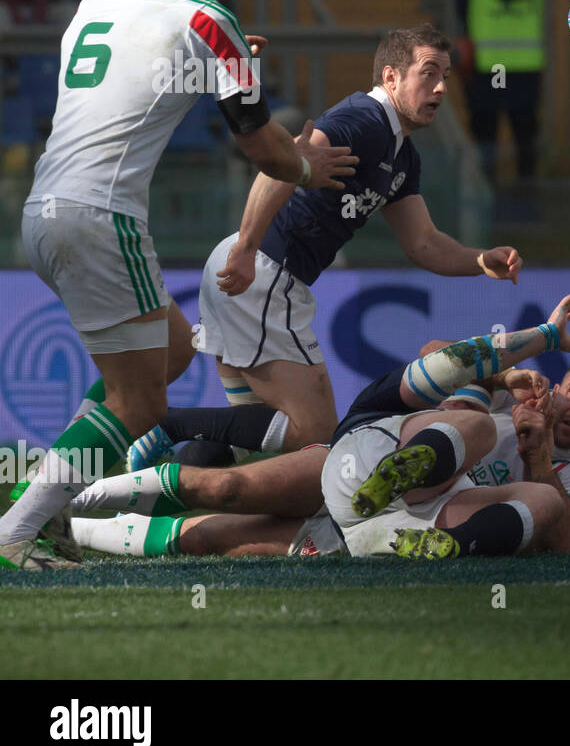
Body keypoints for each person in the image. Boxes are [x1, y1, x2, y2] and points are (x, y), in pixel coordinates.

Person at [0, 0, 357, 571]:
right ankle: (21, 525)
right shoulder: (204, 16)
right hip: (102, 220)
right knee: (141, 403)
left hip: (42, 214)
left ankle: (46, 506)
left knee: (169, 351)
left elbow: (138, 83)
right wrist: (310, 166)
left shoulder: (94, 2)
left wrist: (225, 67)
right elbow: (262, 148)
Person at [126, 24, 524, 473]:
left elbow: (424, 242)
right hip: (261, 274)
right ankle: (168, 424)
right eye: (428, 73)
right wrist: (246, 246)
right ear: (391, 78)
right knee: (314, 433)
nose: (440, 87)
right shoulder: (365, 120)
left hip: (259, 273)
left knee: (247, 434)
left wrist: (477, 259)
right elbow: (278, 165)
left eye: (446, 77)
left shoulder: (403, 155)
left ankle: (136, 509)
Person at [69, 294, 570, 559]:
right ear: (558, 386)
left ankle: (76, 530)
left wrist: (541, 458)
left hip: (420, 519)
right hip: (370, 459)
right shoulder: (518, 400)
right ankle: (64, 505)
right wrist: (505, 377)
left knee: (219, 539)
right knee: (227, 486)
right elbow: (433, 355)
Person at [456, 0, 545, 182]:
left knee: (486, 138)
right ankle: (528, 195)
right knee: (525, 138)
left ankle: (486, 194)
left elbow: (460, 13)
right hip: (527, 69)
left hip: (488, 68)